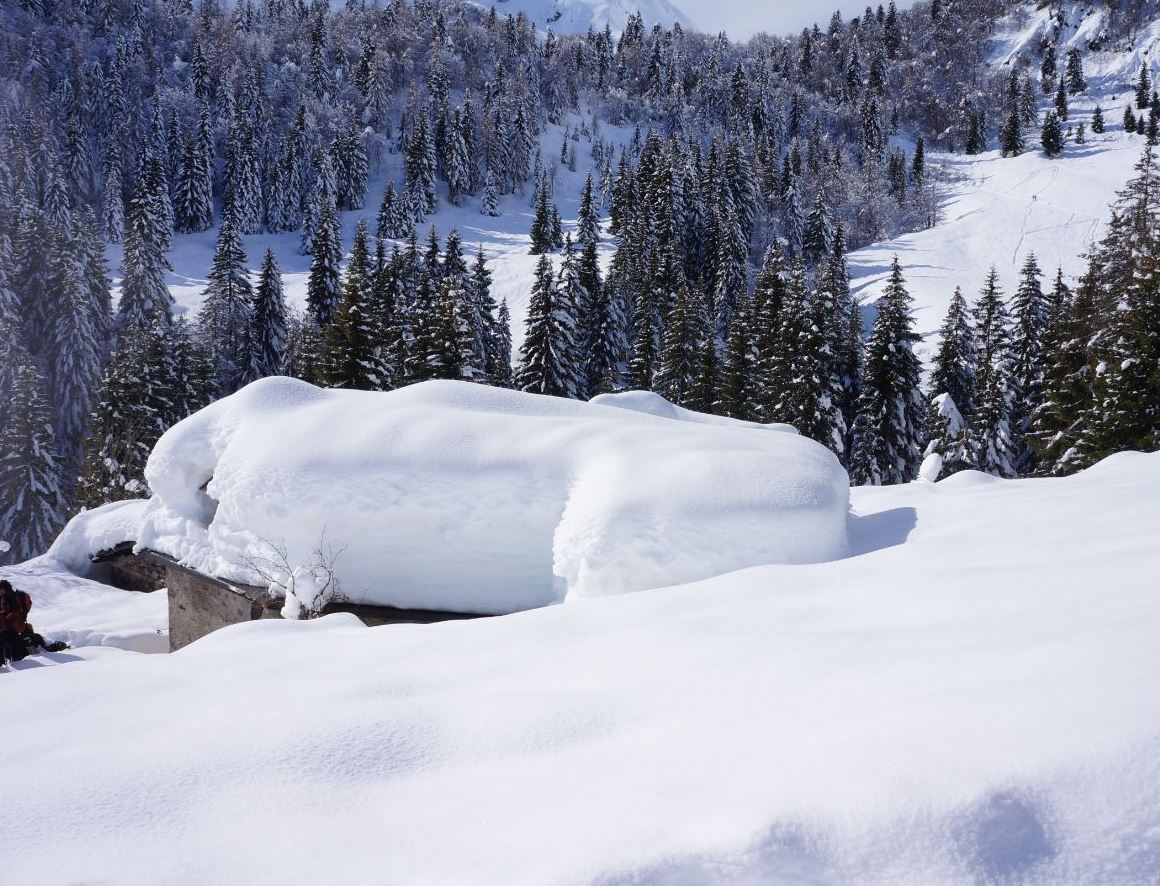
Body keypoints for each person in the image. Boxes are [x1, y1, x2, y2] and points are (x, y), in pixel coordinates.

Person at [0, 579, 45, 664]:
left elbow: (17, 612)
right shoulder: (7, 598)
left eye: (0, 590)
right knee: (13, 647)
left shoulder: (10, 598)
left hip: (12, 628)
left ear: (4, 589)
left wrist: (5, 616)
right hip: (16, 627)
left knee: (11, 646)